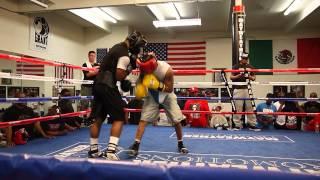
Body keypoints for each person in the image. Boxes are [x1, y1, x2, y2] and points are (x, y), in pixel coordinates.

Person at [87, 31, 147, 160]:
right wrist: (129, 69)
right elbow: (119, 75)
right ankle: (110, 151)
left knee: (98, 118)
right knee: (119, 117)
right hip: (108, 86)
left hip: (98, 84)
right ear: (134, 44)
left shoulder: (116, 47)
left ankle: (93, 150)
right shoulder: (124, 55)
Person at [128, 53, 188, 156]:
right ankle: (136, 145)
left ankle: (181, 143)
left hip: (167, 95)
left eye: (146, 69)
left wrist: (158, 85)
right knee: (143, 119)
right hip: (152, 95)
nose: (144, 71)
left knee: (177, 120)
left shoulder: (166, 70)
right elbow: (140, 80)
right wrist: (139, 88)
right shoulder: (144, 68)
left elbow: (170, 89)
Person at [230, 52, 260, 131]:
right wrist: (238, 75)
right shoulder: (236, 66)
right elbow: (231, 77)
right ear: (241, 58)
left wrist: (248, 76)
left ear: (247, 59)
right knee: (238, 108)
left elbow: (254, 78)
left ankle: (252, 124)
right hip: (238, 89)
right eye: (243, 58)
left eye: (246, 58)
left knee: (250, 107)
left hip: (247, 89)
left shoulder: (250, 67)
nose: (244, 60)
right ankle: (237, 125)